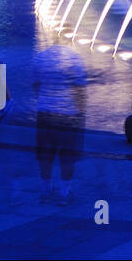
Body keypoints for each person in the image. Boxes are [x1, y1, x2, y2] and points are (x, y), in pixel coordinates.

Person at [32, 44, 87, 204]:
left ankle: (45, 191)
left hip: (45, 115)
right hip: (68, 116)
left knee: (45, 155)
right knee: (67, 156)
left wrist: (45, 103)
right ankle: (64, 194)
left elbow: (36, 86)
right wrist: (81, 114)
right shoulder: (75, 59)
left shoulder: (40, 58)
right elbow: (80, 91)